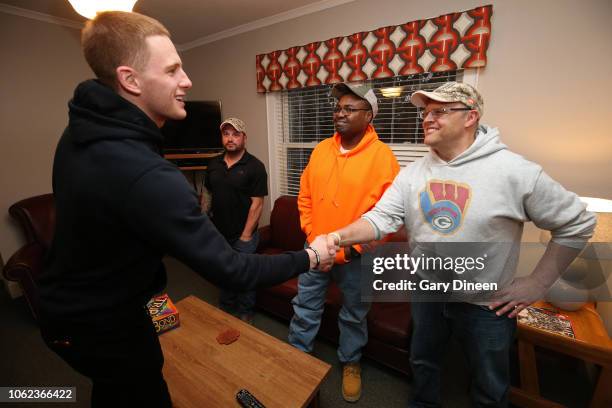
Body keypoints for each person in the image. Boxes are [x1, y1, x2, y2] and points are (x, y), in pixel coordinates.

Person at [37, 11, 333, 408]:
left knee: (117, 387)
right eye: (174, 69)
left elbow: (122, 238)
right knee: (144, 389)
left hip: (70, 308)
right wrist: (312, 255)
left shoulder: (79, 131)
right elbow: (235, 269)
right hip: (98, 323)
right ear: (130, 79)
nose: (187, 81)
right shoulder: (149, 176)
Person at [324, 82, 596, 407]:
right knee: (422, 364)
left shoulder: (514, 171)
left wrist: (537, 283)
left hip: (487, 305)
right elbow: (379, 219)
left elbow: (577, 223)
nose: (427, 118)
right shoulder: (412, 175)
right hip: (427, 294)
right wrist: (336, 237)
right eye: (425, 112)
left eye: (439, 111)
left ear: (471, 117)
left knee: (489, 384)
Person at [288, 83, 400, 402]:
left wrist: (355, 248)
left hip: (356, 257)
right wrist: (312, 235)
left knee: (353, 314)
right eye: (338, 107)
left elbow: (389, 217)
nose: (340, 113)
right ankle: (296, 359)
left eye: (349, 109)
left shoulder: (384, 158)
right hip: (315, 251)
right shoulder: (321, 149)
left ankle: (350, 362)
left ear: (369, 116)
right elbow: (305, 195)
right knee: (305, 306)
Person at [203, 117, 267, 323]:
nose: (230, 139)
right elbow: (207, 194)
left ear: (244, 138)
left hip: (243, 234)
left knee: (245, 275)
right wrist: (204, 224)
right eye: (226, 134)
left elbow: (257, 204)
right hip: (218, 233)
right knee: (224, 273)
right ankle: (226, 307)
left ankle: (245, 313)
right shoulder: (213, 164)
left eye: (235, 134)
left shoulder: (255, 166)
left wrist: (246, 237)